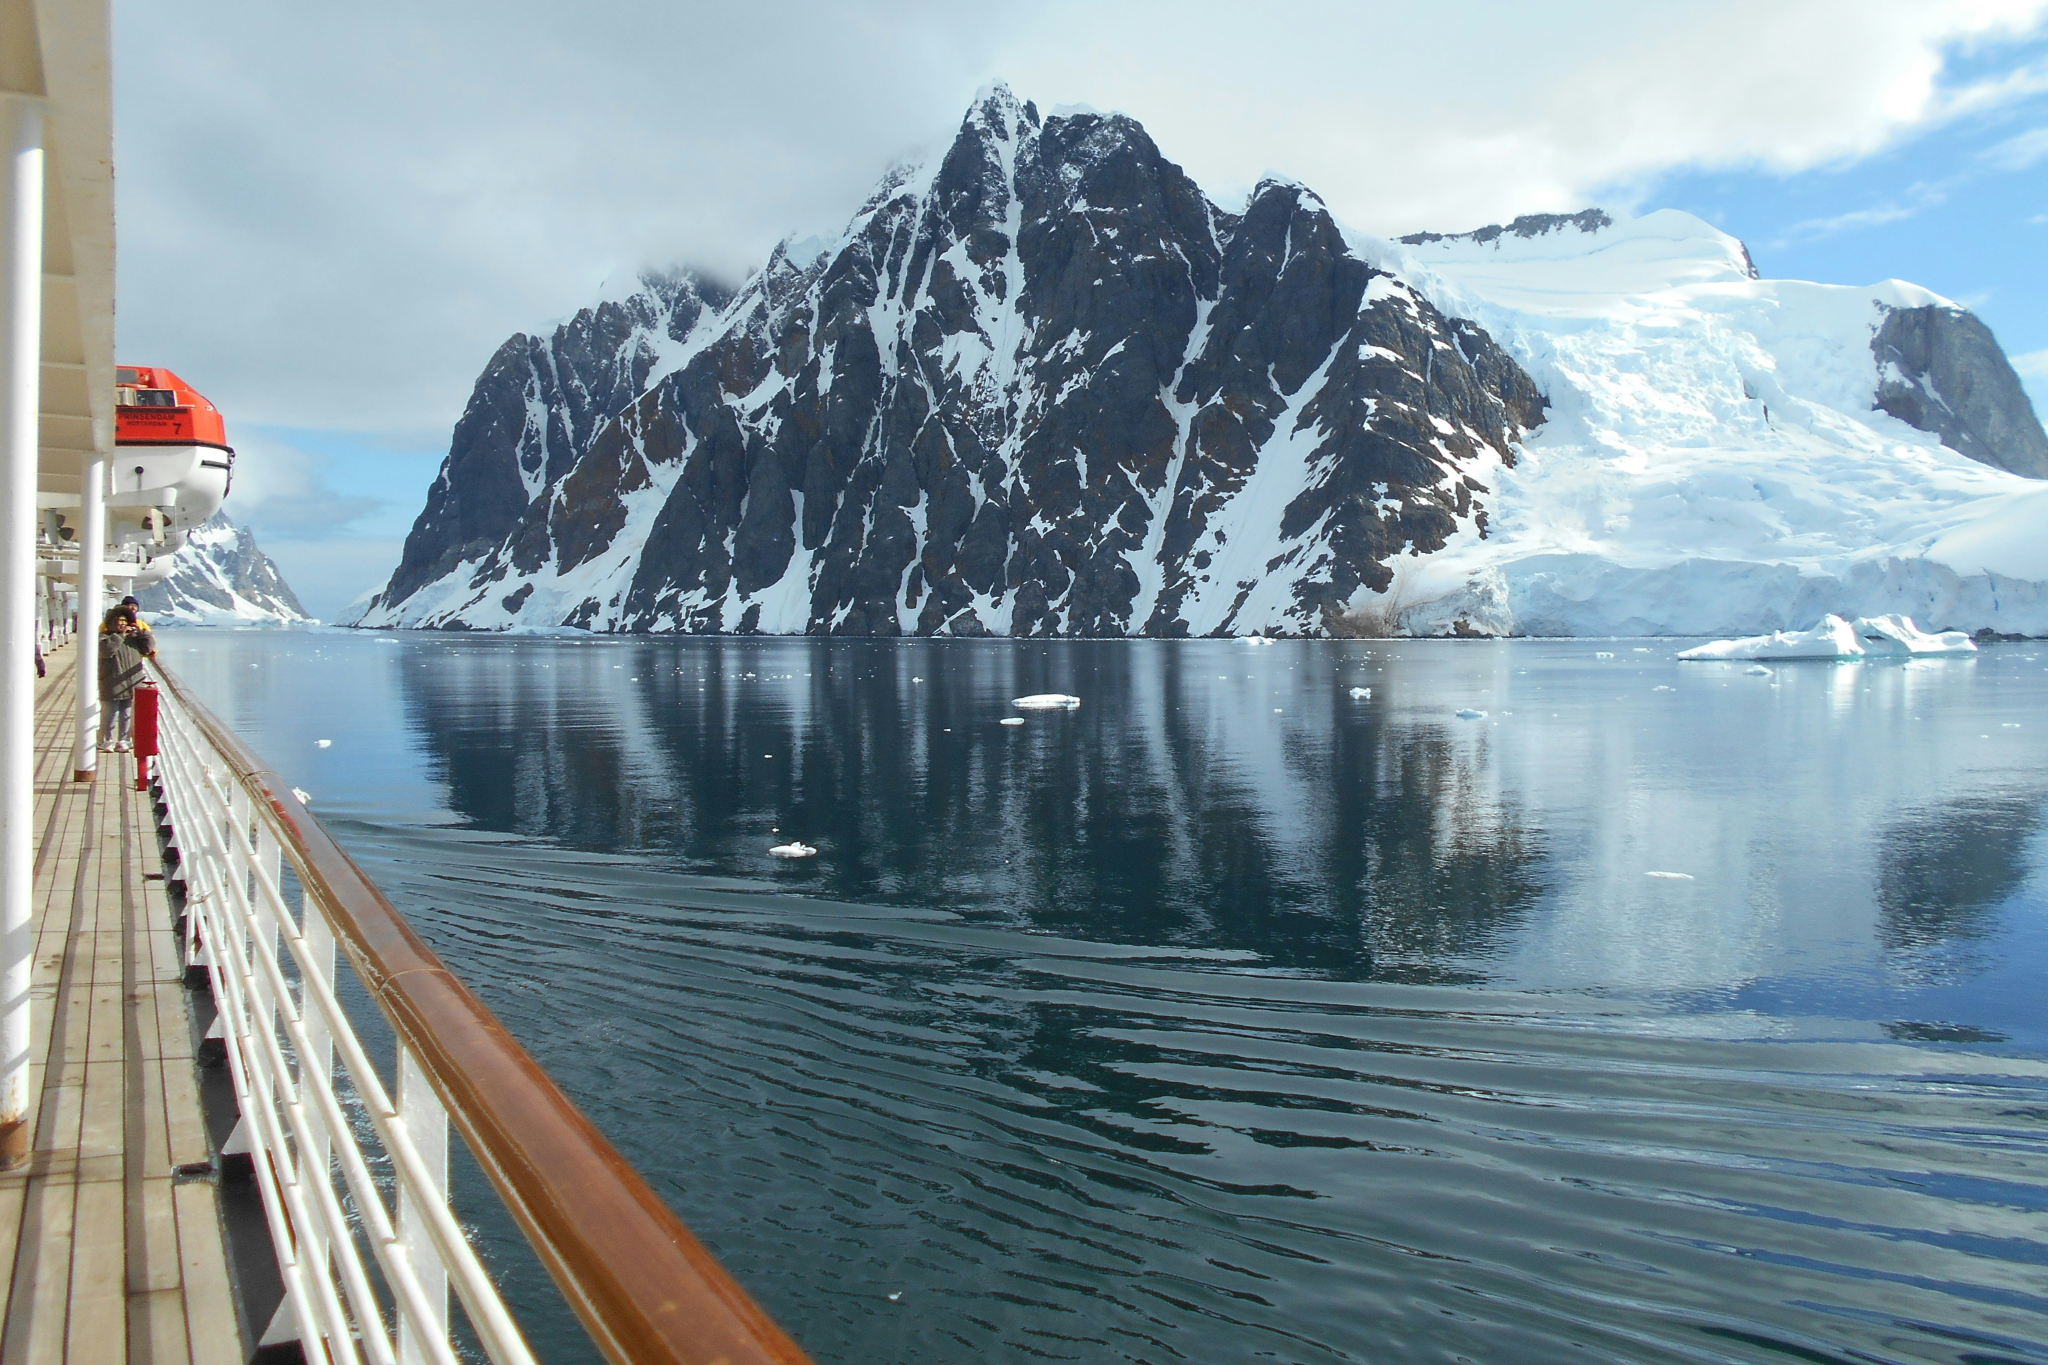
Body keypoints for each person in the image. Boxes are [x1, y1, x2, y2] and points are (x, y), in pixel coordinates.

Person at [98, 605, 150, 752]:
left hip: (131, 682)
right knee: (110, 713)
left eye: (125, 621)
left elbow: (148, 648)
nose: (122, 624)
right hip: (112, 682)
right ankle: (107, 740)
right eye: (119, 621)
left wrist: (143, 634)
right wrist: (119, 636)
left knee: (126, 714)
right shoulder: (104, 637)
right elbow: (106, 651)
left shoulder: (133, 638)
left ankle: (123, 740)